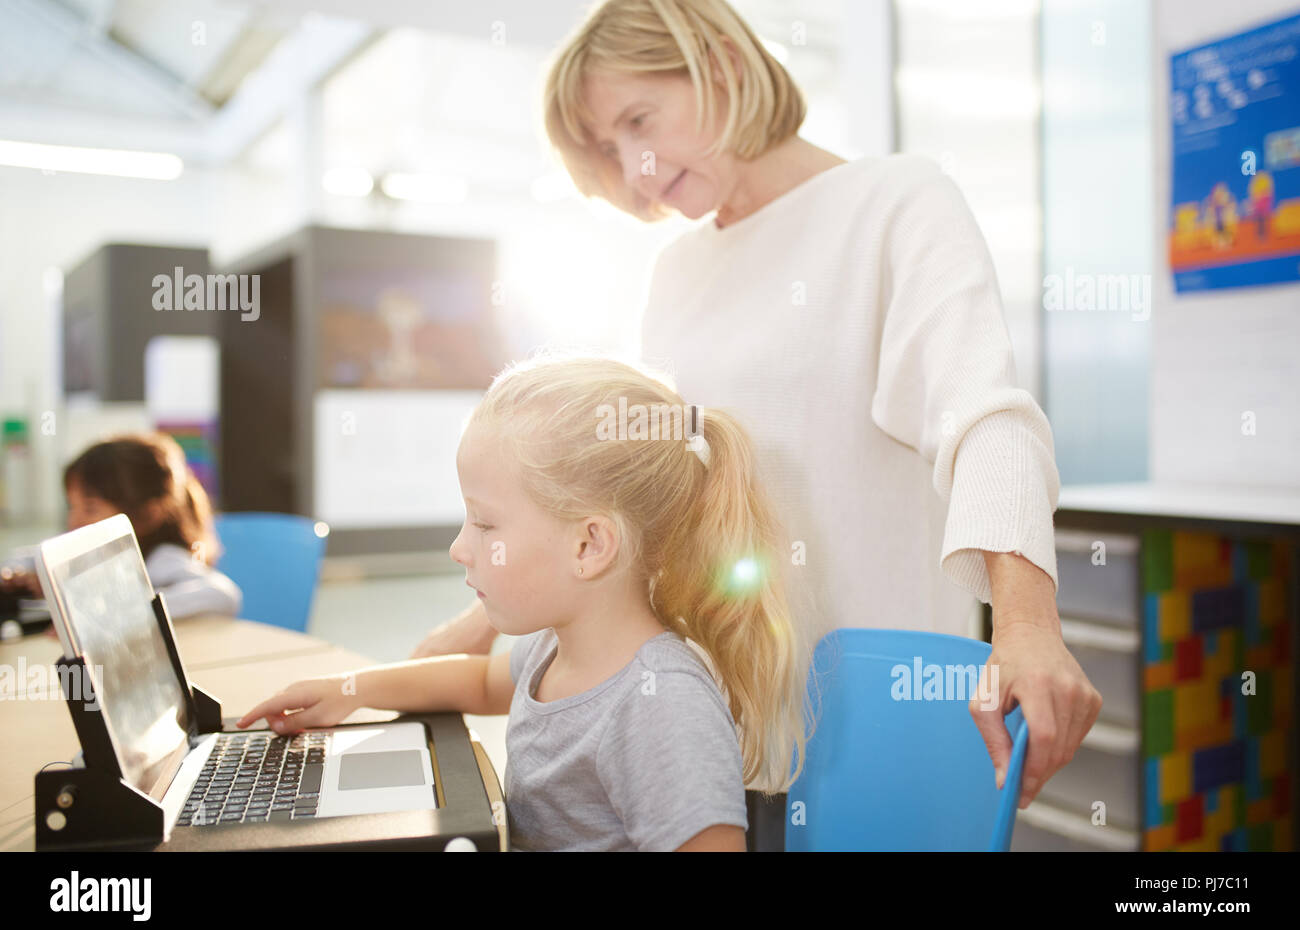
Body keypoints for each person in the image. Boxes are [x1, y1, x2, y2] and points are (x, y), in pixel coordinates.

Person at [412, 0, 1102, 850]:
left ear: (723, 62)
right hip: (709, 724)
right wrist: (485, 617)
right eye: (606, 149)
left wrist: (1029, 624)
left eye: (640, 120)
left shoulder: (897, 203)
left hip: (869, 724)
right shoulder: (677, 273)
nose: (635, 167)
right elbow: (625, 480)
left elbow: (987, 419)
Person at [237, 354, 813, 851]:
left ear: (589, 545)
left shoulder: (661, 707)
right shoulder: (556, 648)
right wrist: (348, 691)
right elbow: (477, 683)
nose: (459, 547)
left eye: (486, 523)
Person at [1, 432, 242, 621]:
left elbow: (223, 595)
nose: (73, 521)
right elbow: (30, 557)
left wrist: (105, 606)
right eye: (71, 507)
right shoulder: (91, 553)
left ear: (147, 514)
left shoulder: (161, 560)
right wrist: (24, 578)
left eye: (90, 508)